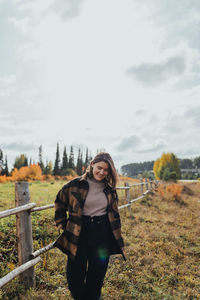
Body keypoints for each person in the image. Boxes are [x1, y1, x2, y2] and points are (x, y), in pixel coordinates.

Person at [54, 152, 126, 300]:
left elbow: (114, 212)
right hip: (79, 232)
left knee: (97, 273)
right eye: (99, 168)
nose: (102, 172)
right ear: (92, 164)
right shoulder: (74, 185)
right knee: (74, 275)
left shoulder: (109, 189)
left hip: (102, 232)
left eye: (106, 170)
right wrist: (62, 223)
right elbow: (59, 202)